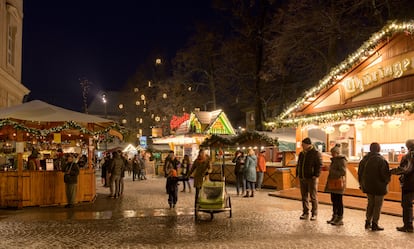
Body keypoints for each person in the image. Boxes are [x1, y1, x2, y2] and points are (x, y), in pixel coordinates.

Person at [358, 142, 390, 231]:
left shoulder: (364, 159)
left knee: (370, 203)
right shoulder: (381, 160)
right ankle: (375, 223)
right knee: (377, 205)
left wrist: (361, 184)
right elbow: (385, 175)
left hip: (367, 186)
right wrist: (386, 182)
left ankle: (367, 222)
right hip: (379, 186)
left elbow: (359, 173)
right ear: (379, 149)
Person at [390, 139, 414, 233]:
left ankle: (408, 225)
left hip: (409, 184)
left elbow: (405, 169)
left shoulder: (408, 156)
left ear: (408, 146)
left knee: (407, 205)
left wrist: (391, 171)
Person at [296, 137, 322, 221]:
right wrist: (298, 174)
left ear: (308, 144)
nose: (302, 146)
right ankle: (305, 212)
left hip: (312, 178)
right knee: (304, 196)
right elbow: (299, 164)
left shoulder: (315, 153)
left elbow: (319, 165)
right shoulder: (302, 154)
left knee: (313, 196)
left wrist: (316, 175)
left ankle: (314, 213)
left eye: (303, 145)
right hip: (302, 177)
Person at [325, 145, 347, 226]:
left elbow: (342, 172)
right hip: (333, 182)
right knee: (334, 200)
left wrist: (330, 169)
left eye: (333, 153)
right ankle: (334, 216)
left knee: (338, 201)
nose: (332, 154)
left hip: (338, 183)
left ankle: (340, 218)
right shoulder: (334, 160)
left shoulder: (341, 160)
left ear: (337, 153)